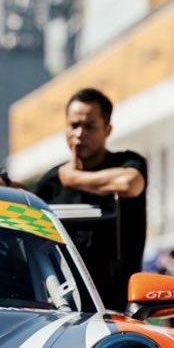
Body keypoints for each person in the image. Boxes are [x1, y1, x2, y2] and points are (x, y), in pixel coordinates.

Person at [35, 88, 147, 311]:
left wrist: (73, 177)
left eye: (89, 126)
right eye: (74, 125)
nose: (80, 133)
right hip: (61, 309)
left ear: (108, 129)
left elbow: (129, 184)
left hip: (119, 309)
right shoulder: (50, 183)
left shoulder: (128, 162)